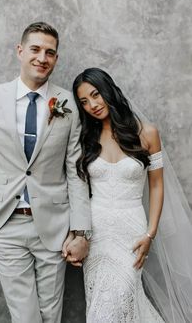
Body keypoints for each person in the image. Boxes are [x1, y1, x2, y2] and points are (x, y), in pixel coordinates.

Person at [0, 22, 92, 323]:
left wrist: (80, 229)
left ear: (56, 59)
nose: (42, 58)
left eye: (50, 52)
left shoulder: (68, 104)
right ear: (20, 51)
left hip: (54, 227)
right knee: (26, 318)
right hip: (5, 224)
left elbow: (76, 170)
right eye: (35, 49)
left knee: (51, 315)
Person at [72, 67, 166, 322]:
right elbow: (76, 187)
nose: (92, 105)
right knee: (100, 303)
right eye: (84, 102)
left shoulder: (147, 133)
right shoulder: (85, 138)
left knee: (122, 296)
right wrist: (77, 234)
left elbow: (156, 186)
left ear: (108, 91)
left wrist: (150, 234)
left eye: (95, 95)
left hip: (131, 231)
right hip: (96, 230)